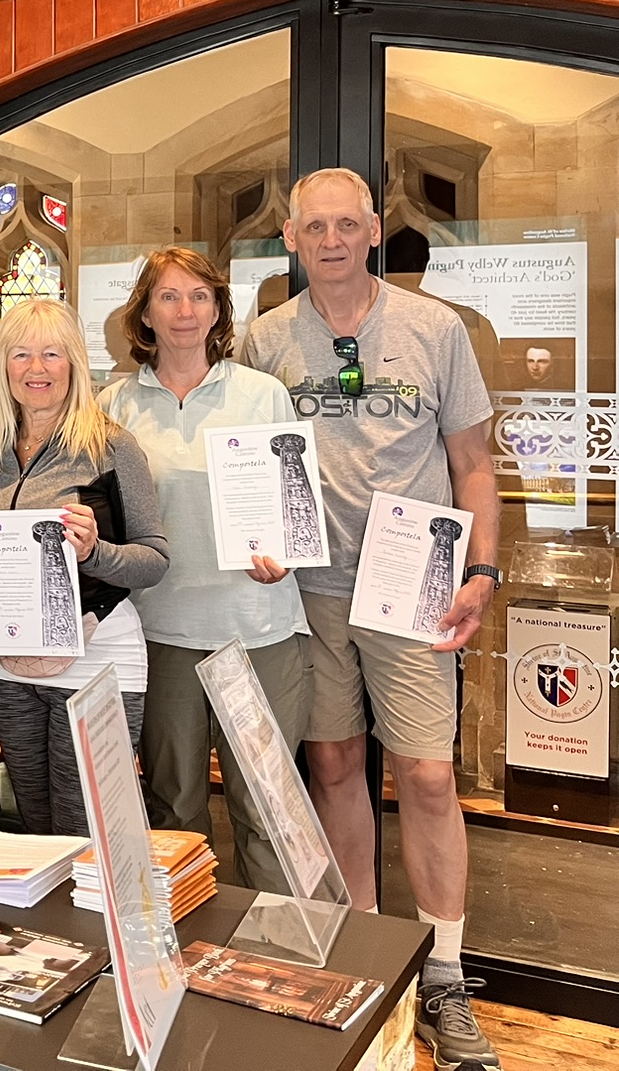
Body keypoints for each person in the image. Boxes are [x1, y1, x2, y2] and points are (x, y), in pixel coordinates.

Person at [242, 168, 501, 1071]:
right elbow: (249, 467)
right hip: (308, 589)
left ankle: (445, 974)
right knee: (336, 762)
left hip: (413, 585)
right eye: (315, 226)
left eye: (347, 224)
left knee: (429, 777)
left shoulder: (436, 330)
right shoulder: (266, 339)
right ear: (290, 237)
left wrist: (483, 569)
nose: (332, 240)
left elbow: (473, 463)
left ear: (375, 228)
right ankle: (367, 953)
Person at [95, 248, 308, 890]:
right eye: (168, 296)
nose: (185, 311)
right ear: (145, 313)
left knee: (267, 812)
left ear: (218, 309)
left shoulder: (262, 395)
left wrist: (286, 557)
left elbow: (294, 509)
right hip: (159, 634)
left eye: (199, 296)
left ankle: (273, 960)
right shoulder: (115, 406)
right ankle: (185, 955)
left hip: (258, 630)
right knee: (173, 810)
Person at [0, 299, 169, 837]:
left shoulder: (111, 447)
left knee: (87, 829)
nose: (36, 369)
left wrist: (95, 552)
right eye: (22, 354)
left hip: (98, 657)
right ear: (3, 365)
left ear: (74, 363)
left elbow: (154, 559)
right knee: (36, 828)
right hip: (9, 665)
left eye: (52, 354)